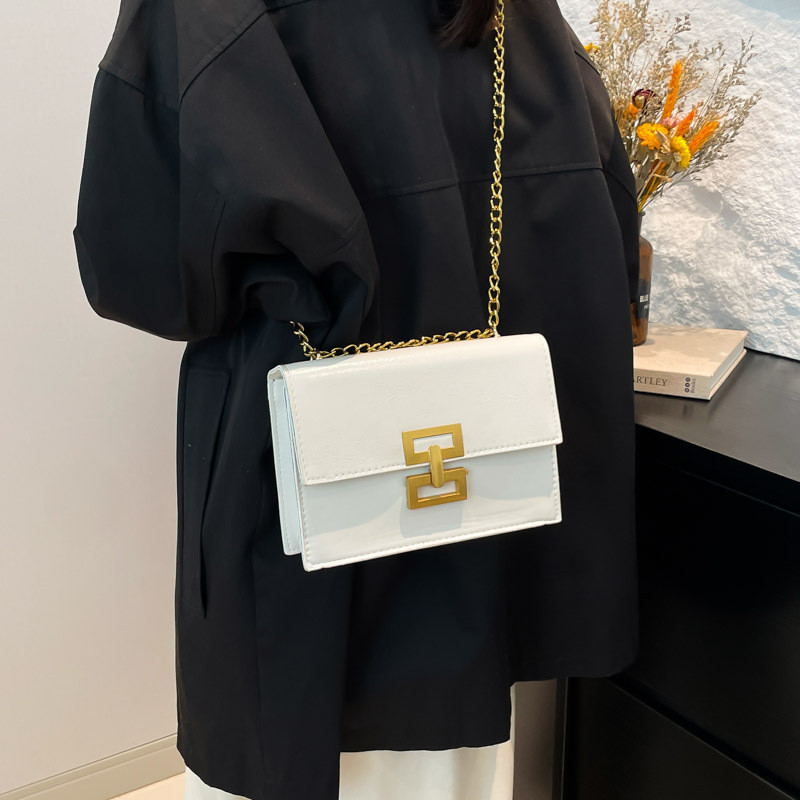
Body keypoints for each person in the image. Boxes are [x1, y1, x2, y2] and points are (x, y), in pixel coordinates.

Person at [72, 0, 640, 798]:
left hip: (298, 510)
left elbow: (135, 270)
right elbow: (603, 228)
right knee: (451, 768)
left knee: (286, 745)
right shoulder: (521, 17)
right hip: (476, 527)